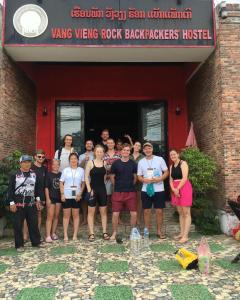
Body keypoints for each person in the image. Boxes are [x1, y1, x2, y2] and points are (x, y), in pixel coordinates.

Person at [6, 155, 42, 251]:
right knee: (18, 225)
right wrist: (11, 203)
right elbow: (10, 190)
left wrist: (38, 200)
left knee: (33, 223)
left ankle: (36, 242)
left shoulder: (34, 174)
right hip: (18, 203)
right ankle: (19, 245)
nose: (27, 164)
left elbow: (37, 188)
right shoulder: (14, 174)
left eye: (29, 162)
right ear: (20, 163)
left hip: (31, 203)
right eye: (25, 162)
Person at [137, 142, 169, 239]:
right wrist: (143, 180)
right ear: (143, 150)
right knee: (146, 211)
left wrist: (160, 179)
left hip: (159, 189)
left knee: (159, 211)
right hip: (146, 189)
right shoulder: (141, 162)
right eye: (145, 149)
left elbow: (166, 172)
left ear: (152, 149)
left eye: (149, 148)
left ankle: (159, 231)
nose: (147, 150)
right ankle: (147, 231)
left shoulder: (159, 159)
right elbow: (139, 176)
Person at [110, 143, 138, 240]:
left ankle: (133, 232)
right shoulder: (115, 163)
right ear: (121, 152)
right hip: (118, 191)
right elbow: (112, 177)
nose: (126, 152)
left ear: (129, 152)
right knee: (115, 214)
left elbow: (135, 178)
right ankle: (114, 233)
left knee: (134, 214)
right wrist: (117, 185)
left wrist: (130, 185)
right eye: (124, 150)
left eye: (127, 150)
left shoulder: (133, 163)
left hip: (130, 192)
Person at [85, 145, 110, 241]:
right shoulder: (90, 163)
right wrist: (89, 189)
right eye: (98, 151)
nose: (99, 153)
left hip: (102, 190)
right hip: (93, 190)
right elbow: (86, 177)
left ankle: (104, 232)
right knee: (91, 213)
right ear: (95, 152)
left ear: (103, 153)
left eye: (101, 152)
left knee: (103, 212)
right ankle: (91, 233)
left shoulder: (105, 163)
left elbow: (104, 176)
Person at [60, 153, 85, 242]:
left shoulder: (81, 170)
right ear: (69, 160)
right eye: (71, 159)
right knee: (66, 216)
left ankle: (75, 235)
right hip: (66, 196)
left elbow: (83, 183)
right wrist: (62, 194)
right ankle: (65, 235)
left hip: (76, 196)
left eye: (75, 158)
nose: (73, 160)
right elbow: (61, 183)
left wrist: (80, 193)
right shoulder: (65, 170)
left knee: (76, 216)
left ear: (78, 160)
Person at [169, 149, 193, 244]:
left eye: (174, 154)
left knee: (186, 212)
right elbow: (171, 180)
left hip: (184, 187)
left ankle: (185, 236)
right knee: (180, 212)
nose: (173, 156)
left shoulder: (183, 163)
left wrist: (177, 188)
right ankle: (181, 233)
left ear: (178, 154)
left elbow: (185, 177)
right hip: (175, 189)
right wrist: (174, 189)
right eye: (171, 155)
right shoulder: (171, 166)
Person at [45, 159, 62, 243]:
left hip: (58, 198)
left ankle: (53, 233)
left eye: (57, 165)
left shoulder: (61, 174)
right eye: (54, 164)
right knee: (50, 216)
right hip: (51, 198)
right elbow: (46, 187)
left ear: (59, 165)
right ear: (51, 165)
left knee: (56, 216)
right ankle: (47, 235)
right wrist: (47, 198)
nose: (56, 166)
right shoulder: (48, 174)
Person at [79, 140, 94, 225]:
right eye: (87, 144)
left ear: (92, 146)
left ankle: (92, 219)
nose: (88, 145)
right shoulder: (81, 156)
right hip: (84, 181)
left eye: (90, 144)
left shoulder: (96, 154)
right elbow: (79, 167)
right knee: (84, 201)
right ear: (85, 145)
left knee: (93, 200)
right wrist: (85, 160)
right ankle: (85, 219)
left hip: (93, 180)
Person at [130, 141, 145, 224]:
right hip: (130, 181)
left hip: (140, 181)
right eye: (136, 145)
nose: (137, 147)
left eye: (139, 146)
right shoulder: (129, 156)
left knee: (139, 200)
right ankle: (133, 218)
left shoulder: (143, 157)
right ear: (133, 146)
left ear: (140, 148)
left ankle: (138, 218)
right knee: (132, 200)